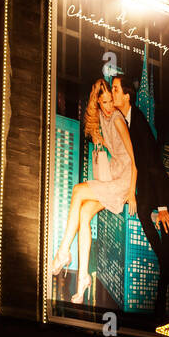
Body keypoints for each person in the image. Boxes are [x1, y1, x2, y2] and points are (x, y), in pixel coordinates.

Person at [49, 79, 136, 304]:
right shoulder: (102, 119)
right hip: (114, 177)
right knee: (84, 215)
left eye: (110, 101)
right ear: (97, 101)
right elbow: (114, 149)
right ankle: (83, 281)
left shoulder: (117, 120)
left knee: (78, 191)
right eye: (104, 102)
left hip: (124, 180)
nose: (109, 106)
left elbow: (134, 159)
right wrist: (101, 142)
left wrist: (132, 192)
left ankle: (63, 251)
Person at [110, 74, 169, 318]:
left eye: (116, 89)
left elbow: (153, 164)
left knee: (166, 247)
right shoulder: (125, 120)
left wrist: (162, 207)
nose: (113, 93)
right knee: (142, 215)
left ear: (127, 96)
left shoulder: (136, 120)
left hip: (160, 190)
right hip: (148, 188)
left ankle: (167, 297)